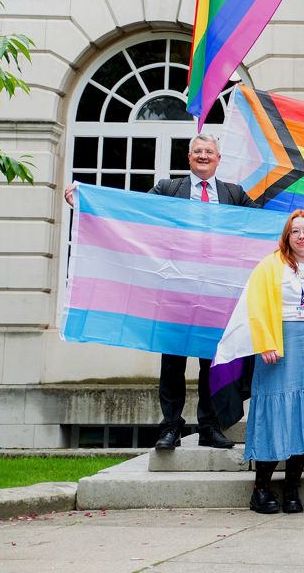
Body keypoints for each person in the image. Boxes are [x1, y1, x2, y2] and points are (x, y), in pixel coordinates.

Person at [64, 133, 257, 452]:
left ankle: (209, 426)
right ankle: (170, 427)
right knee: (173, 361)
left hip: (216, 294)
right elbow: (133, 212)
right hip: (176, 289)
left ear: (219, 159)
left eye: (210, 151)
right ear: (189, 158)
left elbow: (264, 226)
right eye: (198, 151)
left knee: (212, 361)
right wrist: (86, 202)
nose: (204, 156)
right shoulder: (169, 190)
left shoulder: (234, 194)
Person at [229, 210, 304, 514]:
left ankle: (292, 488)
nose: (302, 236)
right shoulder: (271, 266)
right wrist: (266, 339)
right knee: (276, 414)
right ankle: (262, 488)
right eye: (295, 231)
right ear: (287, 236)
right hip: (280, 348)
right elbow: (254, 305)